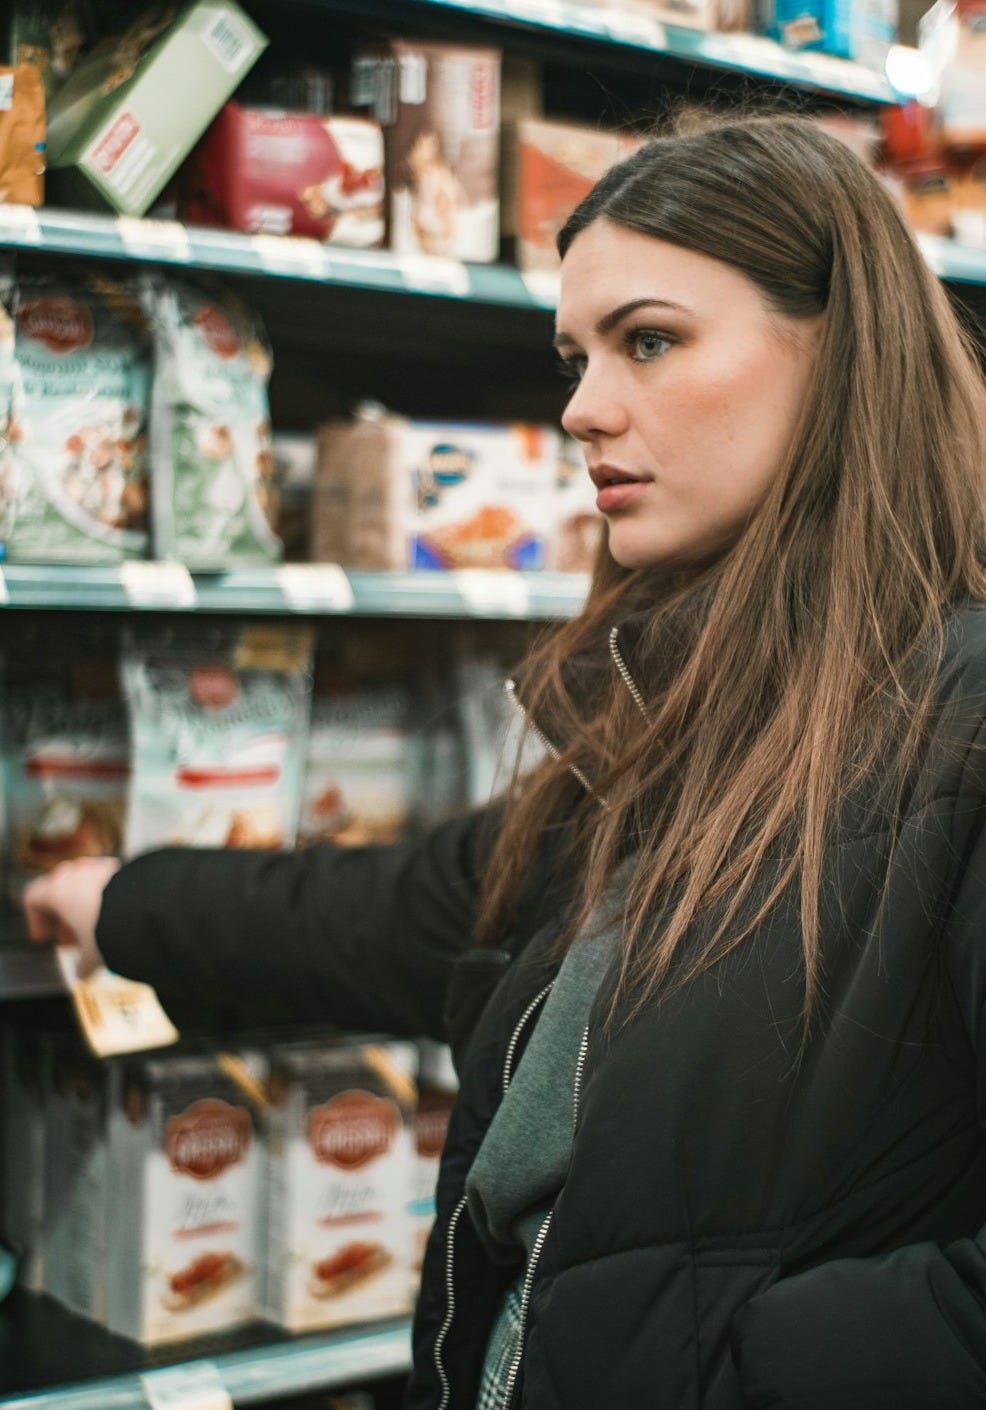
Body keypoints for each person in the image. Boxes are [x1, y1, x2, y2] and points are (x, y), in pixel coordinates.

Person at [23, 112, 986, 1410]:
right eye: (575, 355)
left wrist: (754, 1369)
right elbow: (407, 918)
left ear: (842, 352)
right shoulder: (682, 717)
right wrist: (117, 900)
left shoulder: (960, 717)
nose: (582, 407)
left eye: (649, 339)